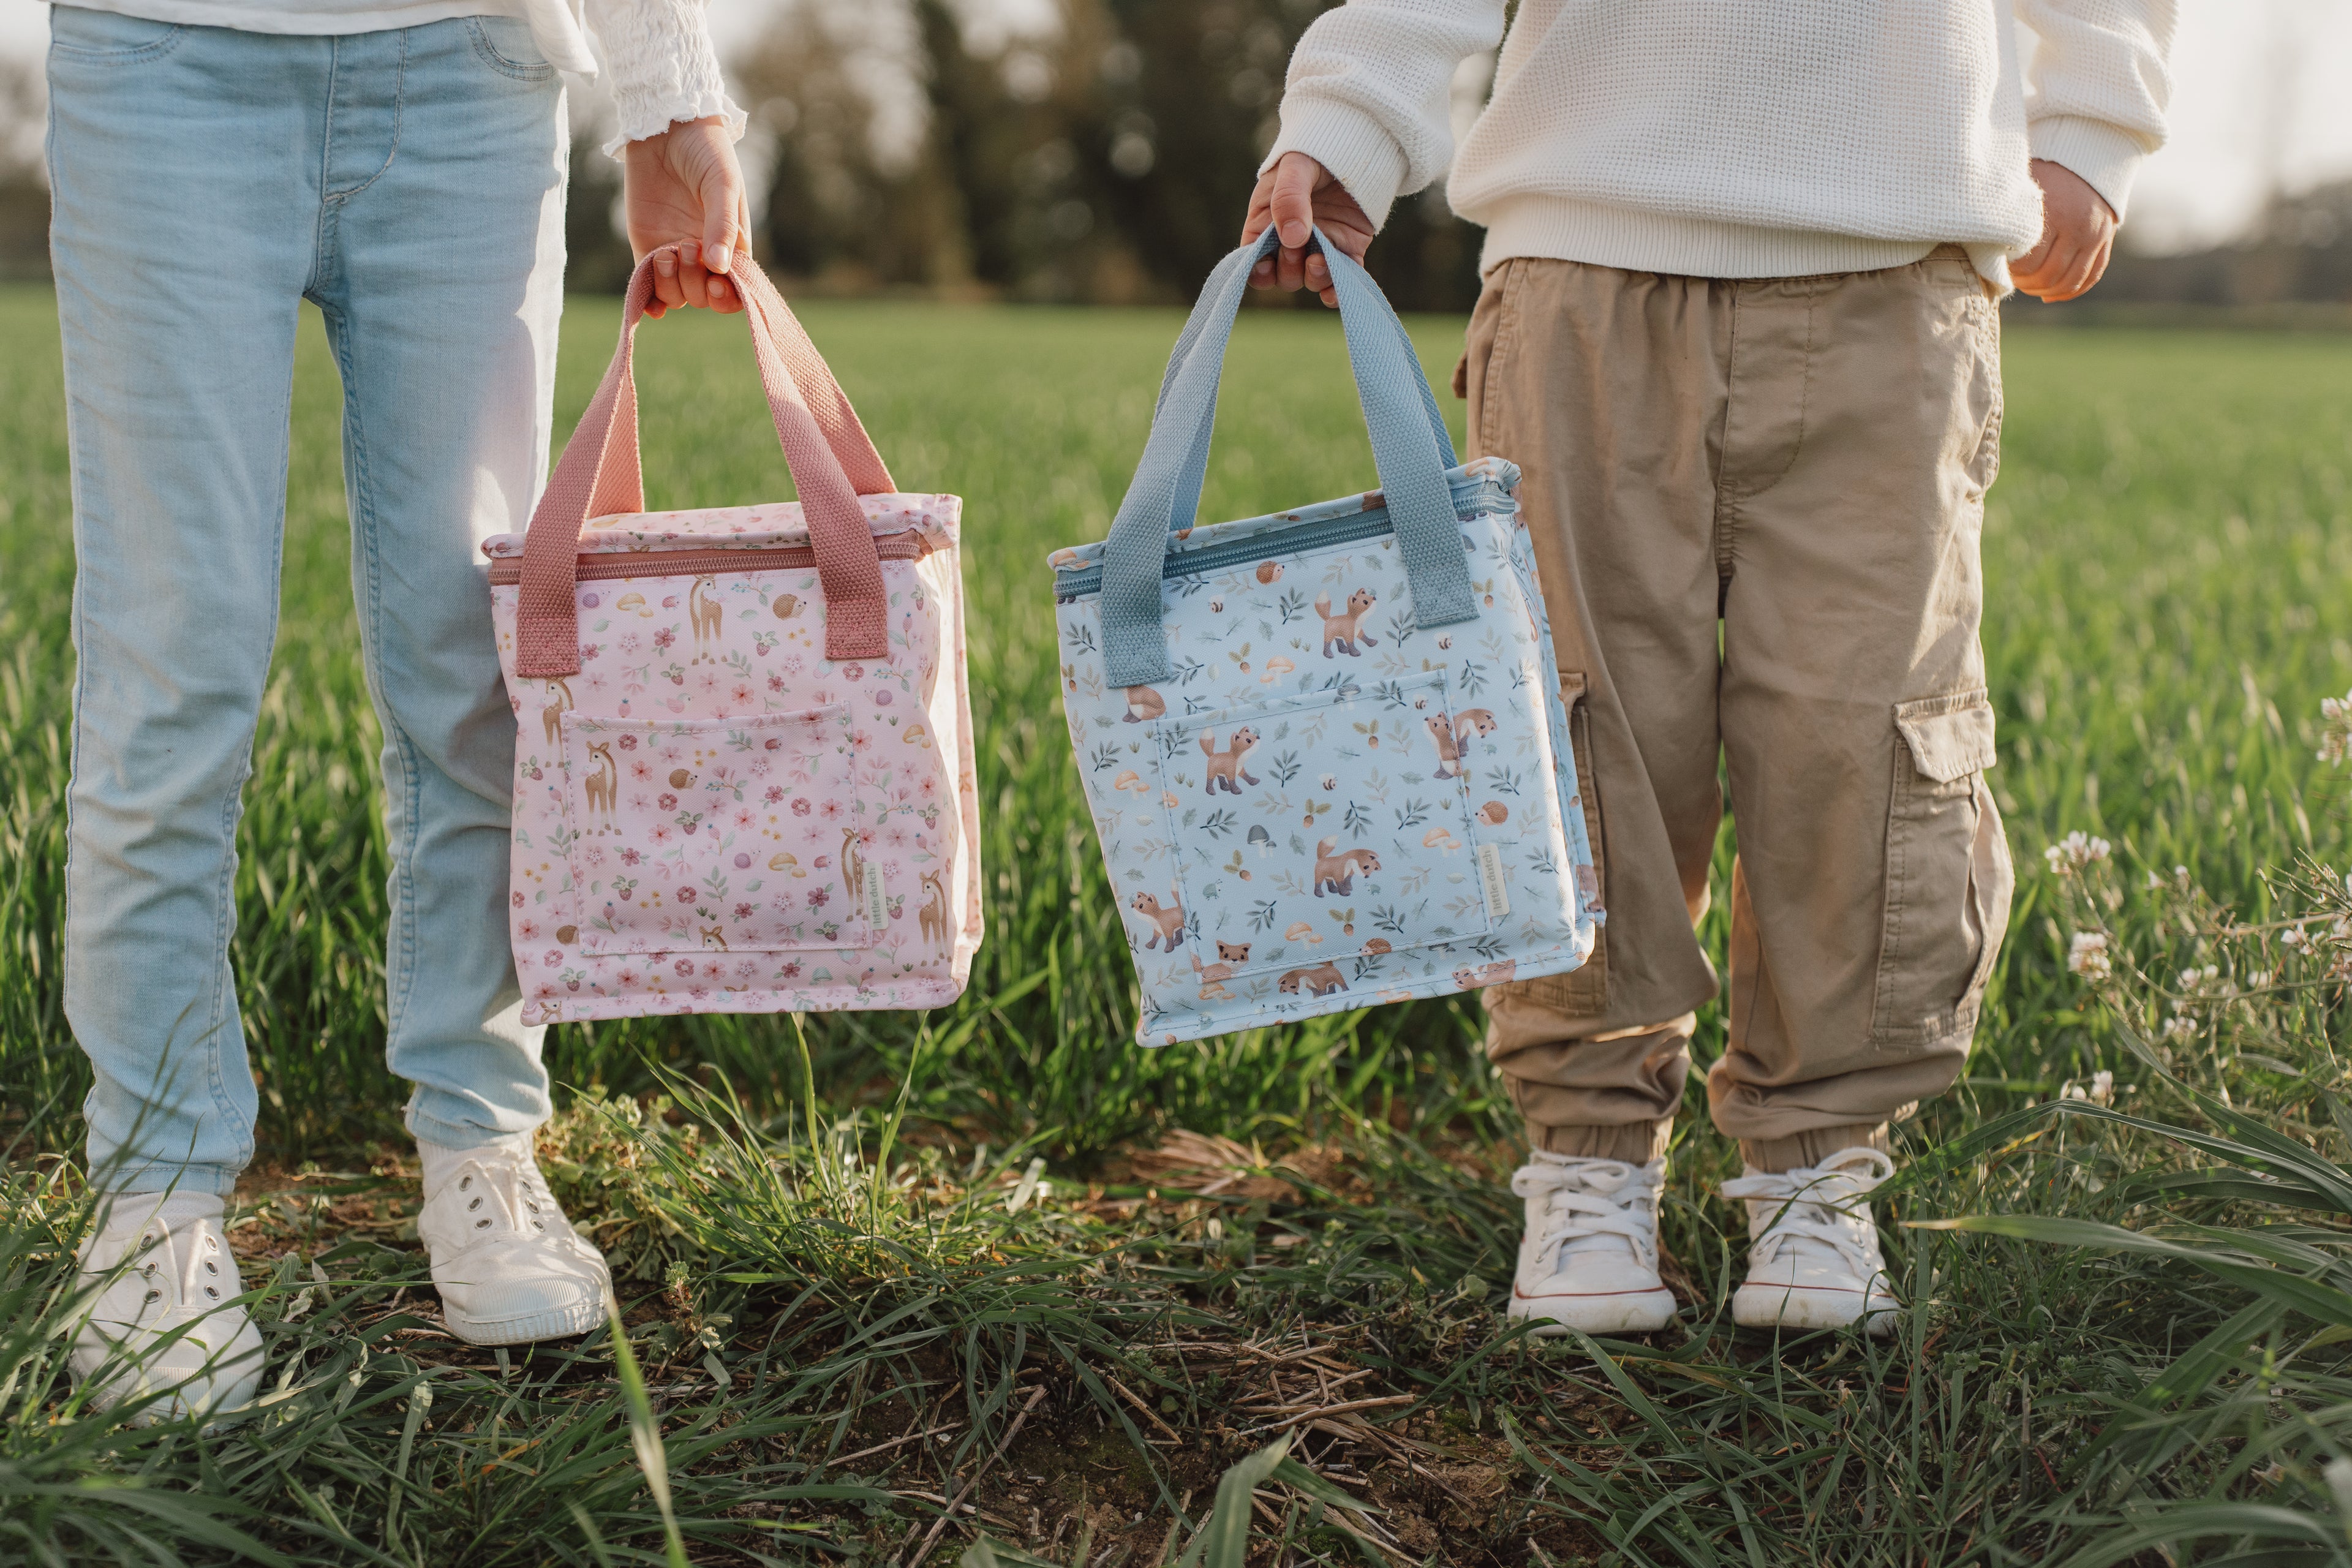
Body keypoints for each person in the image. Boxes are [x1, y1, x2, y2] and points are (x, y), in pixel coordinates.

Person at [1243, 0, 2172, 1335]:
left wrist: (2091, 124)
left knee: (1862, 739)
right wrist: (1350, 118)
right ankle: (1588, 1159)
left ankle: (1816, 1168)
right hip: (1585, 256)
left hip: (1898, 268)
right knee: (1584, 728)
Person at [49, 0, 748, 1417]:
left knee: (476, 663)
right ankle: (154, 1194)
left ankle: (484, 1145)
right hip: (161, 59)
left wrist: (670, 91)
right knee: (170, 664)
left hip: (470, 69)